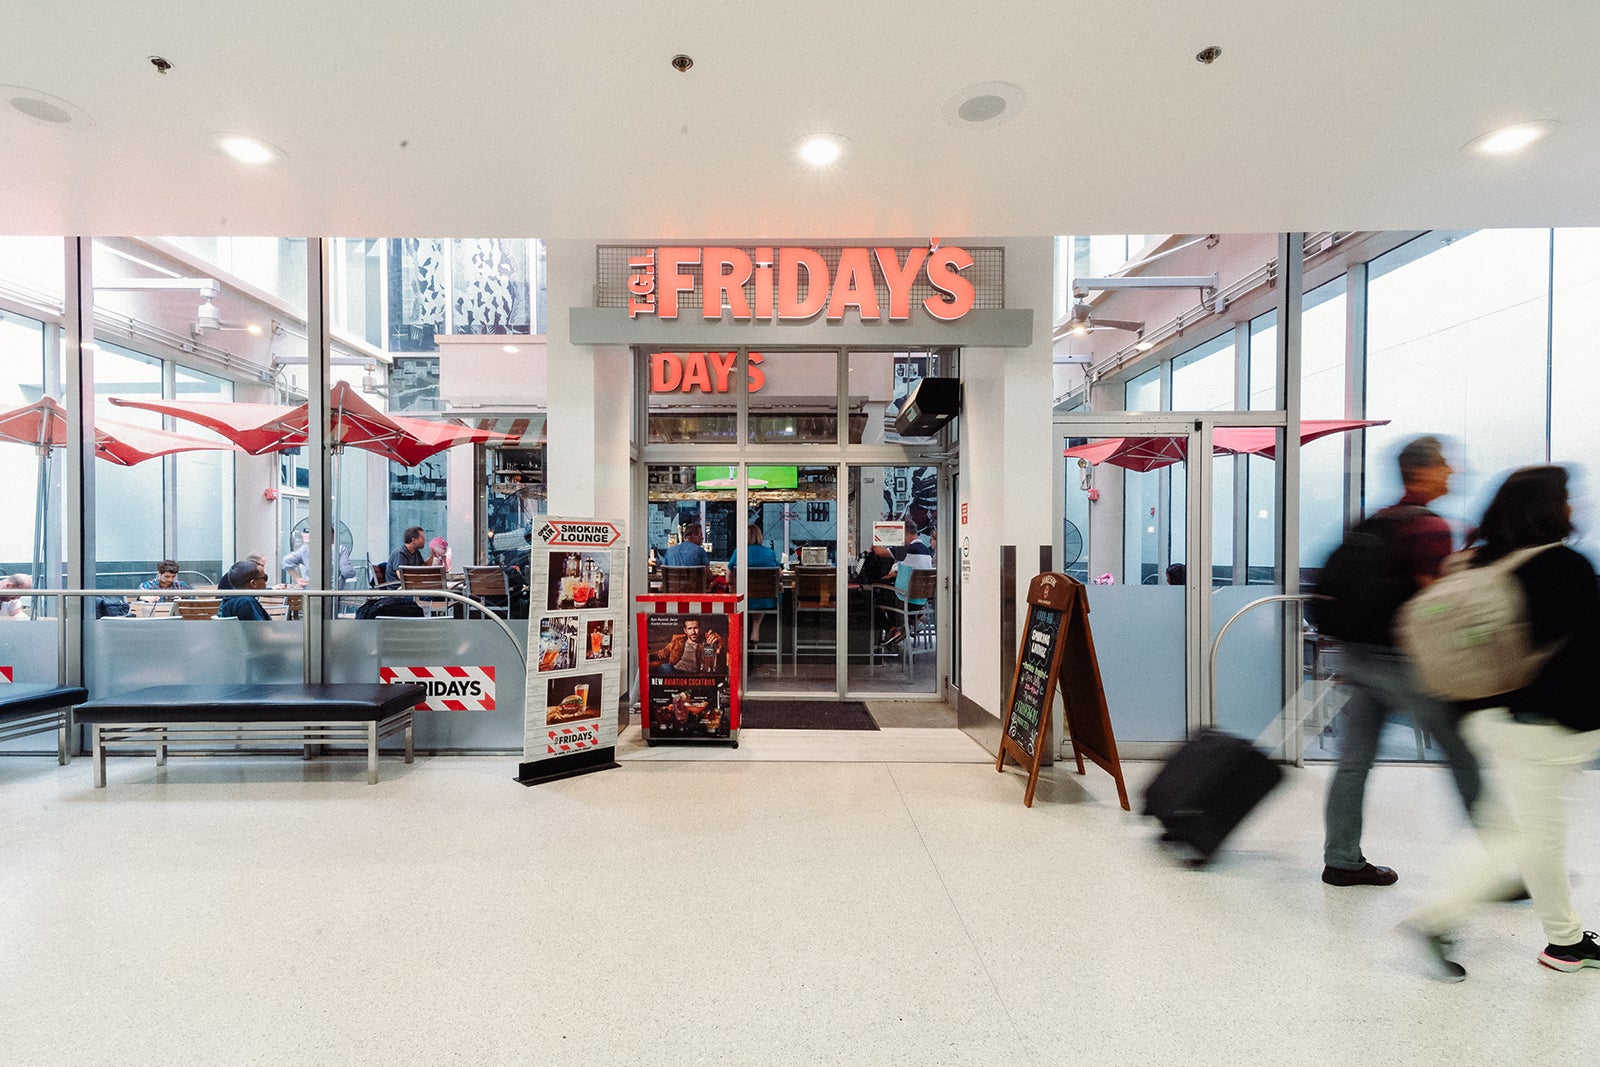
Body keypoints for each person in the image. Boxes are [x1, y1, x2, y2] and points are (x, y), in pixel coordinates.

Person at [1403, 465, 1600, 980]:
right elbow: (1586, 656)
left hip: (1486, 716)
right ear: (1549, 508)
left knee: (1538, 832)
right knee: (1516, 836)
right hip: (1546, 726)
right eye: (1567, 498)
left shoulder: (1476, 560)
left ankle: (1566, 940)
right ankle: (1435, 919)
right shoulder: (1564, 567)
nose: (1574, 507)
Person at [1321, 435, 1482, 887]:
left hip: (1358, 656)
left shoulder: (1377, 519)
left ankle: (1342, 860)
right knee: (1463, 754)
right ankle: (1501, 867)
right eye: (1445, 464)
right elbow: (1435, 604)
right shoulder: (1429, 528)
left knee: (1354, 762)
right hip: (1401, 662)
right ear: (1422, 471)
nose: (1452, 471)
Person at [730, 524, 782, 640]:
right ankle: (756, 627)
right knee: (760, 594)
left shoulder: (739, 552)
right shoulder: (770, 553)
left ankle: (740, 634)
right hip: (767, 599)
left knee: (746, 594)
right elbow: (779, 575)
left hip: (742, 599)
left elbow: (728, 579)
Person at [649, 615, 723, 674]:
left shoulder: (705, 642)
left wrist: (717, 647)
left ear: (700, 628)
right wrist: (647, 657)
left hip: (691, 675)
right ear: (685, 630)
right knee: (665, 667)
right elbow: (662, 653)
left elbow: (710, 664)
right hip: (675, 671)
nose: (693, 632)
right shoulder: (677, 641)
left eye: (695, 628)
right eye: (690, 628)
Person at [282, 532, 355, 588]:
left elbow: (286, 561)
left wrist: (297, 579)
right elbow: (347, 572)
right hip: (333, 592)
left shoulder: (306, 549)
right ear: (333, 536)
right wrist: (353, 573)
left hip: (311, 592)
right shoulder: (339, 549)